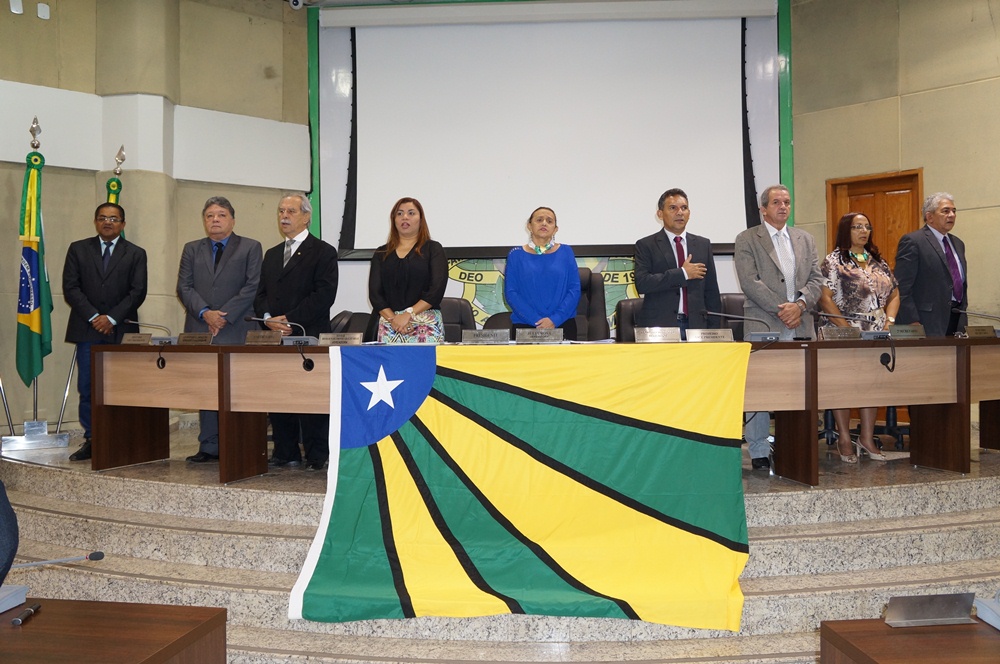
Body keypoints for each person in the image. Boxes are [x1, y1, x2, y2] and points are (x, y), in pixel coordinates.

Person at [734, 184, 824, 470]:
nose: (783, 206)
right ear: (763, 209)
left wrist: (799, 305)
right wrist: (782, 309)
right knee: (761, 387)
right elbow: (750, 281)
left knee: (799, 386)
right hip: (764, 320)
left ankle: (796, 443)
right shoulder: (747, 238)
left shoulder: (805, 238)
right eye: (776, 202)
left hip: (801, 322)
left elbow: (816, 280)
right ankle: (759, 449)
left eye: (787, 202)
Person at [254, 193, 339, 471]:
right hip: (276, 337)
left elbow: (324, 295)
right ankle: (285, 451)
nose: (284, 216)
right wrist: (268, 319)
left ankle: (317, 454)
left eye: (290, 211)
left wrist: (290, 319)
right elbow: (261, 294)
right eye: (280, 211)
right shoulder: (272, 254)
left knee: (310, 397)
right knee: (280, 394)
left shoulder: (323, 251)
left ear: (306, 216)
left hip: (308, 335)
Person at [177, 196, 263, 463]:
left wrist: (223, 316)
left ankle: (238, 441)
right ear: (204, 221)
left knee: (238, 389)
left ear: (232, 219)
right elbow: (184, 287)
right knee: (206, 388)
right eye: (210, 215)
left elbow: (252, 287)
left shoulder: (250, 247)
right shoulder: (192, 249)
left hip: (236, 327)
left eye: (221, 215)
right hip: (200, 329)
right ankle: (209, 445)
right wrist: (206, 313)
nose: (215, 219)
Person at [63, 203, 148, 461]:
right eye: (102, 218)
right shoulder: (78, 249)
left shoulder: (135, 253)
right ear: (95, 222)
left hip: (122, 330)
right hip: (87, 330)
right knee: (89, 387)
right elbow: (71, 288)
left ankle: (121, 437)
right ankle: (93, 438)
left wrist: (111, 318)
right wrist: (94, 317)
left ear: (123, 223)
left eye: (113, 218)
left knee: (121, 386)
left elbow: (138, 291)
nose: (107, 222)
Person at [818, 212, 899, 463]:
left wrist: (889, 321)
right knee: (843, 385)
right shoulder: (833, 262)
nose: (864, 231)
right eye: (857, 227)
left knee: (870, 384)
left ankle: (866, 438)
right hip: (841, 331)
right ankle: (844, 438)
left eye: (867, 227)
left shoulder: (877, 261)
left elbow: (895, 294)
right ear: (846, 230)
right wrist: (846, 329)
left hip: (875, 332)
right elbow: (824, 298)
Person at [633, 188, 722, 337]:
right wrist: (682, 273)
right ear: (660, 214)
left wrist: (714, 329)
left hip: (697, 326)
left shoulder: (702, 244)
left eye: (684, 208)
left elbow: (711, 291)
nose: (679, 212)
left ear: (689, 213)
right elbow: (642, 283)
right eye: (673, 208)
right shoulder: (646, 245)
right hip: (661, 326)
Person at [368, 197, 448, 343]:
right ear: (393, 220)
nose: (405, 217)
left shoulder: (433, 249)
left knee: (424, 366)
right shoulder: (381, 253)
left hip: (426, 325)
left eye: (411, 213)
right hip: (389, 324)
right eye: (399, 214)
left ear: (421, 219)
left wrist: (408, 315)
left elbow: (436, 290)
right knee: (390, 366)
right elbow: (375, 294)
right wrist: (394, 319)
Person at [894, 192, 967, 337]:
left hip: (957, 319)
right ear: (930, 216)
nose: (952, 215)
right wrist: (911, 320)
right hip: (926, 321)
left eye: (954, 211)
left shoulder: (958, 244)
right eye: (946, 211)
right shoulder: (913, 241)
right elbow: (902, 286)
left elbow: (960, 283)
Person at [504, 206, 581, 340]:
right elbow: (511, 293)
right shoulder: (515, 255)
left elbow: (574, 289)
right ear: (529, 226)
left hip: (563, 324)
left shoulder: (566, 252)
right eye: (539, 220)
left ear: (555, 229)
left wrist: (555, 319)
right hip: (525, 325)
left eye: (549, 221)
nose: (544, 223)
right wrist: (537, 321)